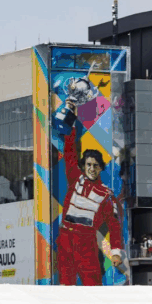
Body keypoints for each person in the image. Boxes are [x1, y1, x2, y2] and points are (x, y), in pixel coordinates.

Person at [52, 83, 124, 286]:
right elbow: (70, 150)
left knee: (92, 286)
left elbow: (114, 226)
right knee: (65, 286)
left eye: (95, 165)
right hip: (65, 238)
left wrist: (116, 252)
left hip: (86, 241)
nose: (91, 168)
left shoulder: (105, 194)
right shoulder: (75, 177)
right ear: (83, 166)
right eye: (88, 165)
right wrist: (71, 120)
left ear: (101, 168)